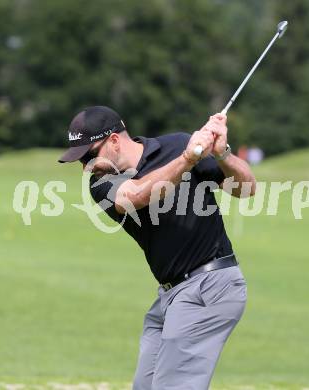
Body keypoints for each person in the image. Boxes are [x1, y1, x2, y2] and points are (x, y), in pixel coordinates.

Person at [58, 105, 256, 390]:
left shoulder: (176, 144)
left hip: (210, 287)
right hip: (170, 296)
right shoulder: (100, 182)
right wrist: (188, 159)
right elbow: (138, 195)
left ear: (114, 140)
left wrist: (222, 152)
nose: (86, 165)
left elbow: (247, 188)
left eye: (89, 155)